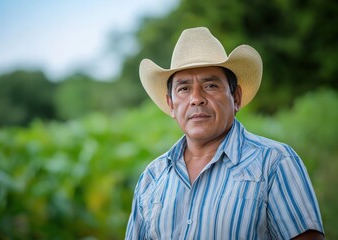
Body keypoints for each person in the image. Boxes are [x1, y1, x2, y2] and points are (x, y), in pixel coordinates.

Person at [125, 27, 324, 239]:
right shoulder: (152, 177)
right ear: (171, 105)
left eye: (210, 85)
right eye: (183, 89)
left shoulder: (274, 163)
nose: (196, 98)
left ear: (236, 97)